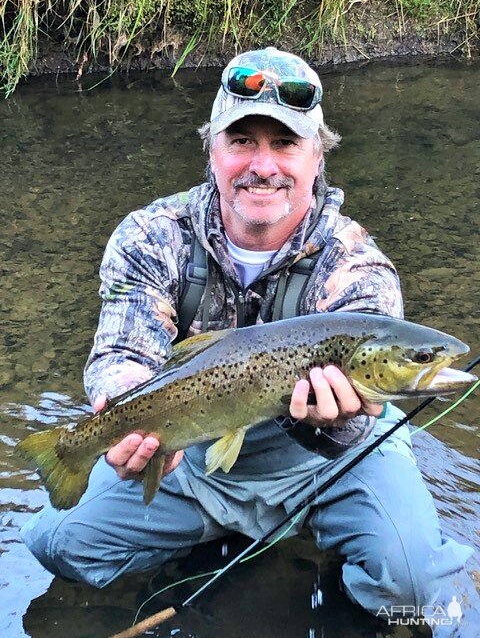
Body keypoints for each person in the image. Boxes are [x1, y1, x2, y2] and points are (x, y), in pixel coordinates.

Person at [21, 47, 478, 634]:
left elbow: (360, 425)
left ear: (318, 157)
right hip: (193, 450)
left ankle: (319, 561)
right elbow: (122, 354)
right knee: (57, 544)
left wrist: (333, 418)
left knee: (413, 587)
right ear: (211, 150)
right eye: (242, 142)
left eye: (285, 144)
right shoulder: (150, 237)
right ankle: (209, 543)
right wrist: (123, 416)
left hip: (331, 461)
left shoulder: (357, 266)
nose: (263, 165)